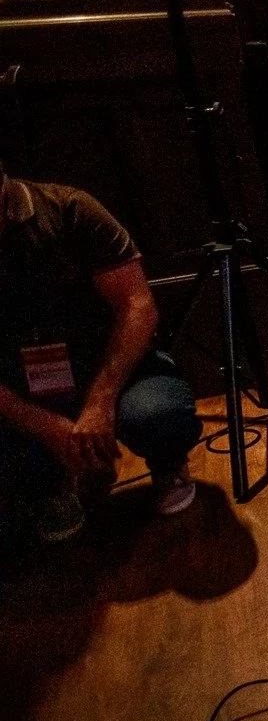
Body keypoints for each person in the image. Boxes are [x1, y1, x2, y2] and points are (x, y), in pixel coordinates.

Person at [0, 161, 201, 541]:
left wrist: (100, 402)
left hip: (106, 365)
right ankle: (50, 479)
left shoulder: (69, 210)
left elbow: (137, 305)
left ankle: (168, 462)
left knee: (158, 415)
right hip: (20, 384)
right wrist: (41, 424)